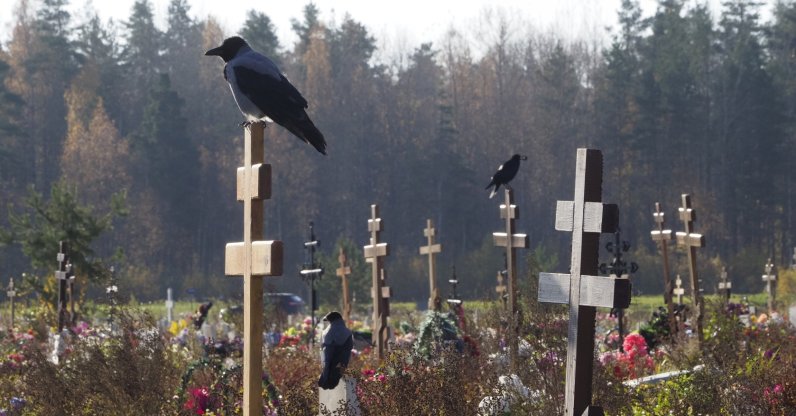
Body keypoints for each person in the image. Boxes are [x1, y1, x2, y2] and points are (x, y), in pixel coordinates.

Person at [318, 311, 353, 390]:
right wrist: (341, 367)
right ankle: (331, 377)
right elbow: (345, 354)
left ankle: (326, 377)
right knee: (333, 378)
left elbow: (324, 353)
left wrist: (326, 369)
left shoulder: (325, 333)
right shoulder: (347, 333)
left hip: (327, 362)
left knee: (327, 375)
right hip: (339, 362)